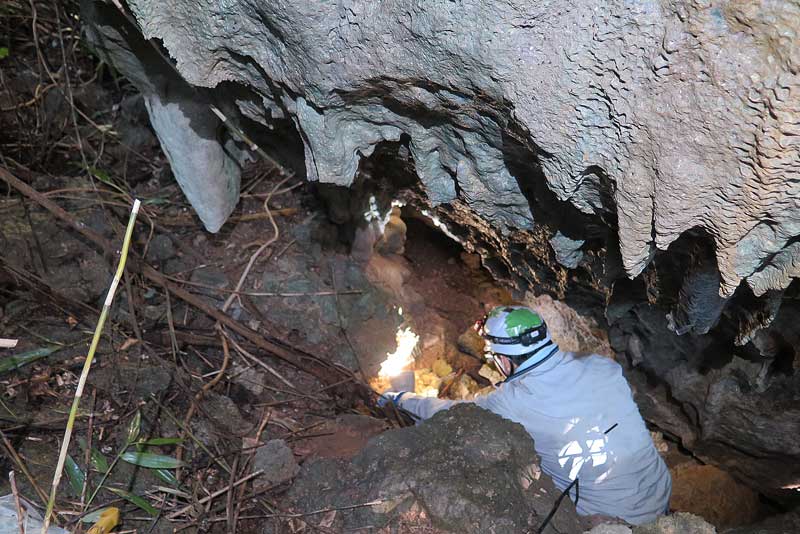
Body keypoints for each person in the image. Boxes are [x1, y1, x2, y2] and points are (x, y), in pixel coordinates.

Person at [379, 305, 671, 525]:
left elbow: (452, 414)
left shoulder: (513, 402)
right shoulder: (601, 366)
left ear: (504, 359)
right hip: (660, 493)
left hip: (612, 518)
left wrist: (400, 398)